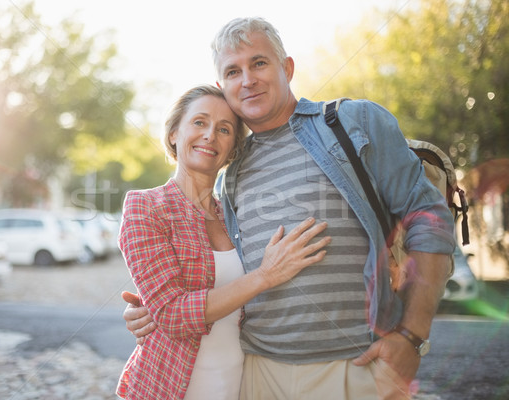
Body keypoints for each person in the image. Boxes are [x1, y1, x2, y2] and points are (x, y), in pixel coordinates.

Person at [123, 18, 456, 399]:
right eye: (233, 71)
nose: (247, 79)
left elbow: (429, 221)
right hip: (256, 374)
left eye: (259, 63)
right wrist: (158, 310)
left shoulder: (352, 122)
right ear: (223, 86)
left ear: (287, 68)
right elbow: (223, 281)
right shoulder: (231, 172)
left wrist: (412, 336)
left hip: (355, 368)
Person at [115, 84, 331, 400]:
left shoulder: (236, 214)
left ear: (233, 148)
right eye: (199, 122)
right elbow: (173, 315)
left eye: (224, 129)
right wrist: (266, 275)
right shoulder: (145, 206)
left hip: (238, 383)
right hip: (170, 387)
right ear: (175, 132)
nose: (210, 135)